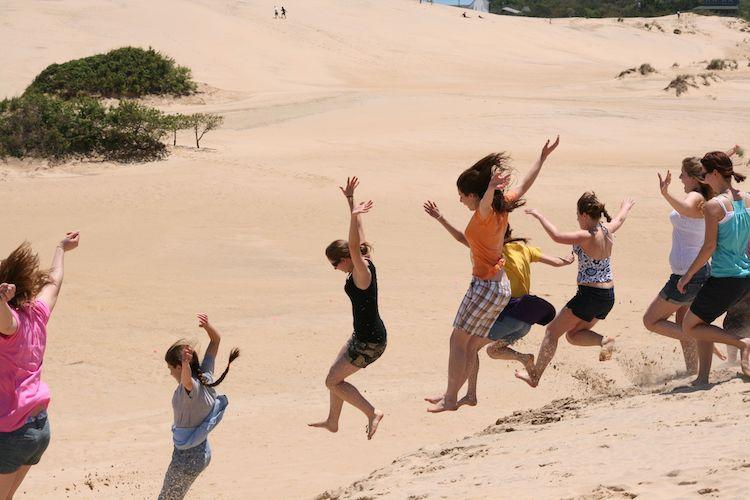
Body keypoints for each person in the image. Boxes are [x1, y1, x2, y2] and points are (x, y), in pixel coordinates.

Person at [424, 136, 560, 412]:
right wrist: (542, 158)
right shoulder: (502, 207)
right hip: (498, 286)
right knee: (469, 343)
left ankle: (451, 398)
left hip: (484, 286)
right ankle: (456, 395)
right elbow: (523, 185)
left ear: (474, 195)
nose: (460, 200)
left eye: (462, 195)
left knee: (458, 340)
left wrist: (490, 187)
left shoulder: (485, 213)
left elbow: (485, 202)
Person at [423, 224, 570, 408]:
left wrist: (440, 218)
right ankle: (524, 358)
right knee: (493, 351)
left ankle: (467, 395)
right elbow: (556, 262)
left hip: (509, 314)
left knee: (470, 346)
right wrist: (567, 260)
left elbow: (462, 238)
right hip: (525, 320)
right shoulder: (523, 248)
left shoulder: (494, 251)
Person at [517, 193, 635, 387]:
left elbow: (556, 236)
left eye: (578, 216)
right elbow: (620, 218)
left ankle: (535, 375)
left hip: (589, 295)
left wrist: (539, 216)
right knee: (573, 336)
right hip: (607, 296)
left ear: (585, 216)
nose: (577, 220)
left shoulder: (587, 235)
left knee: (552, 332)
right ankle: (605, 340)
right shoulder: (607, 228)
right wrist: (626, 207)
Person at [0, 231, 80, 499]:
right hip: (39, 428)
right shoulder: (38, 314)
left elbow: (6, 322)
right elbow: (55, 282)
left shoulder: (12, 324)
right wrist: (60, 248)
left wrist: (1, 302)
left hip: (12, 433)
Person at [309, 177, 386, 439]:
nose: (335, 269)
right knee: (334, 376)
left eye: (335, 264)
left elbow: (354, 244)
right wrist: (351, 202)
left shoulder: (361, 274)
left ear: (345, 260)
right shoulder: (364, 260)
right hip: (364, 335)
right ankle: (333, 421)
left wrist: (353, 216)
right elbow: (360, 239)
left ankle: (372, 413)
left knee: (332, 381)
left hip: (370, 342)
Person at [679, 151, 750, 385]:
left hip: (723, 277)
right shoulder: (747, 198)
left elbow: (709, 247)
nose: (702, 178)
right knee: (703, 324)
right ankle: (703, 377)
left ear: (716, 173)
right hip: (745, 277)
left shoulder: (713, 206)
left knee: (690, 326)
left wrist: (688, 275)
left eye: (705, 173)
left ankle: (743, 343)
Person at [160, 315, 240, 500]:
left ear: (179, 367)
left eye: (171, 367)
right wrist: (208, 327)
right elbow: (215, 341)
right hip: (200, 451)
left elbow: (187, 382)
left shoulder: (191, 389)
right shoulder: (206, 376)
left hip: (188, 458)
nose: (169, 371)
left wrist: (186, 364)